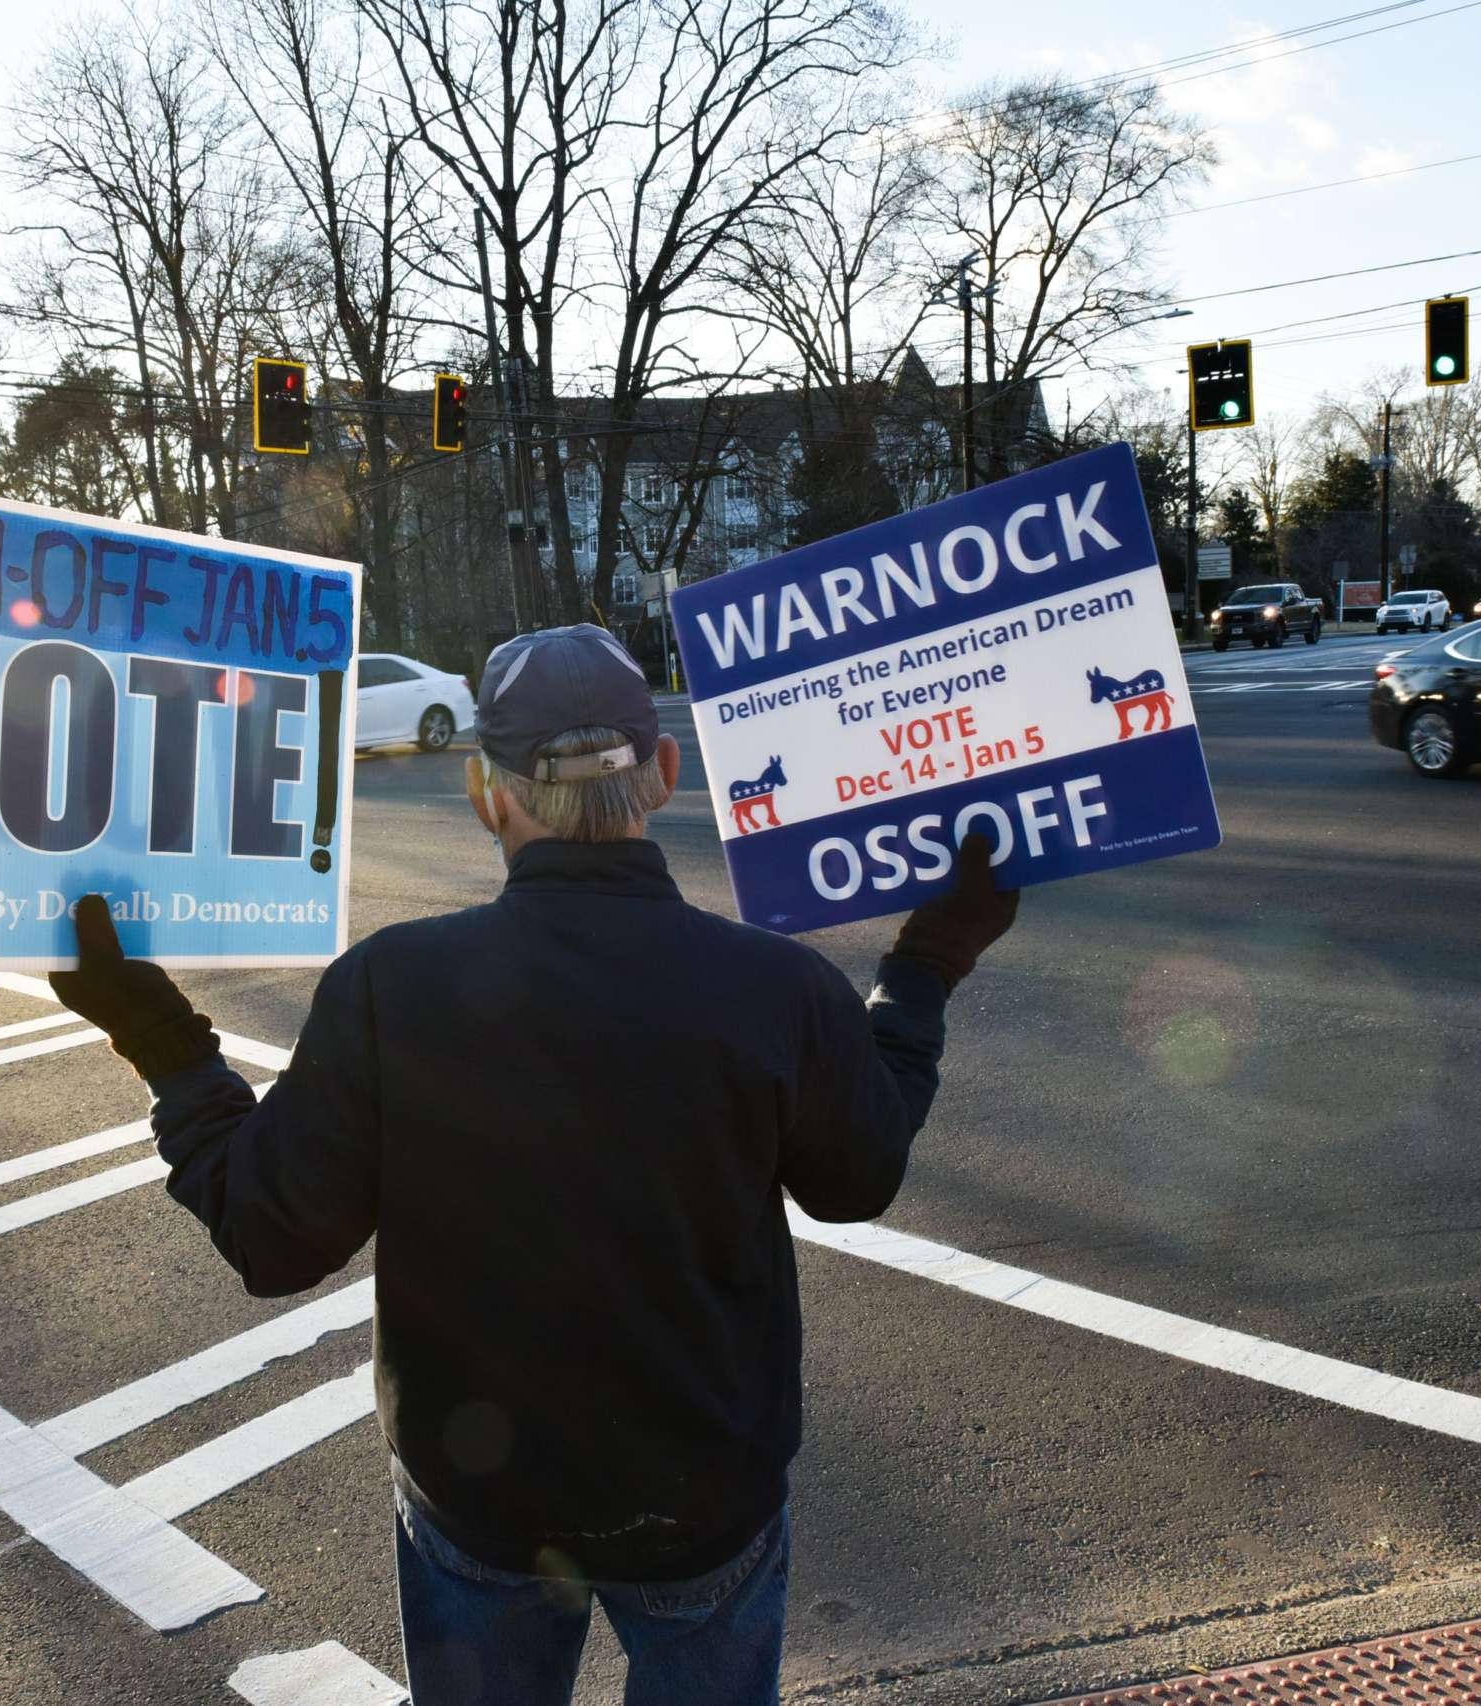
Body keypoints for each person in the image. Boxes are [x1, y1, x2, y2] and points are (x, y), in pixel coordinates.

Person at [49, 623, 1017, 1705]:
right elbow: (859, 1177)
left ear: (485, 793)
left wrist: (156, 1030)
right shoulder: (770, 986)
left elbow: (271, 1236)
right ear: (662, 772)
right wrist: (928, 961)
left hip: (483, 1502)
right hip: (703, 1496)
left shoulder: (390, 986)